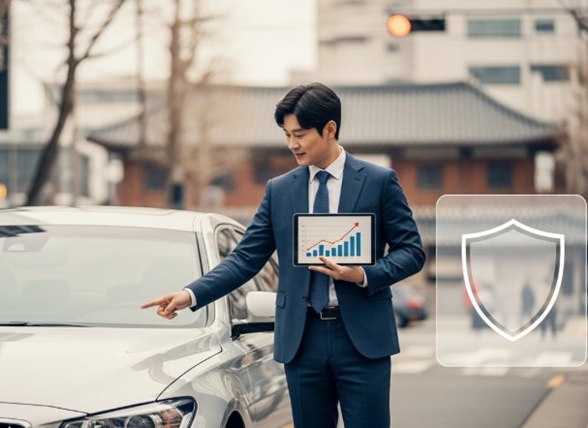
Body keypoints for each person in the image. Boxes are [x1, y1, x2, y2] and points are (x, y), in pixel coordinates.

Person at [141, 82, 425, 428]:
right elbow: (246, 258)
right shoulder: (280, 190)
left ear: (330, 129)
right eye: (288, 135)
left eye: (301, 135)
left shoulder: (378, 181)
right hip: (302, 341)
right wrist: (191, 294)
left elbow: (411, 251)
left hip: (362, 341)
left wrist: (362, 274)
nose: (292, 144)